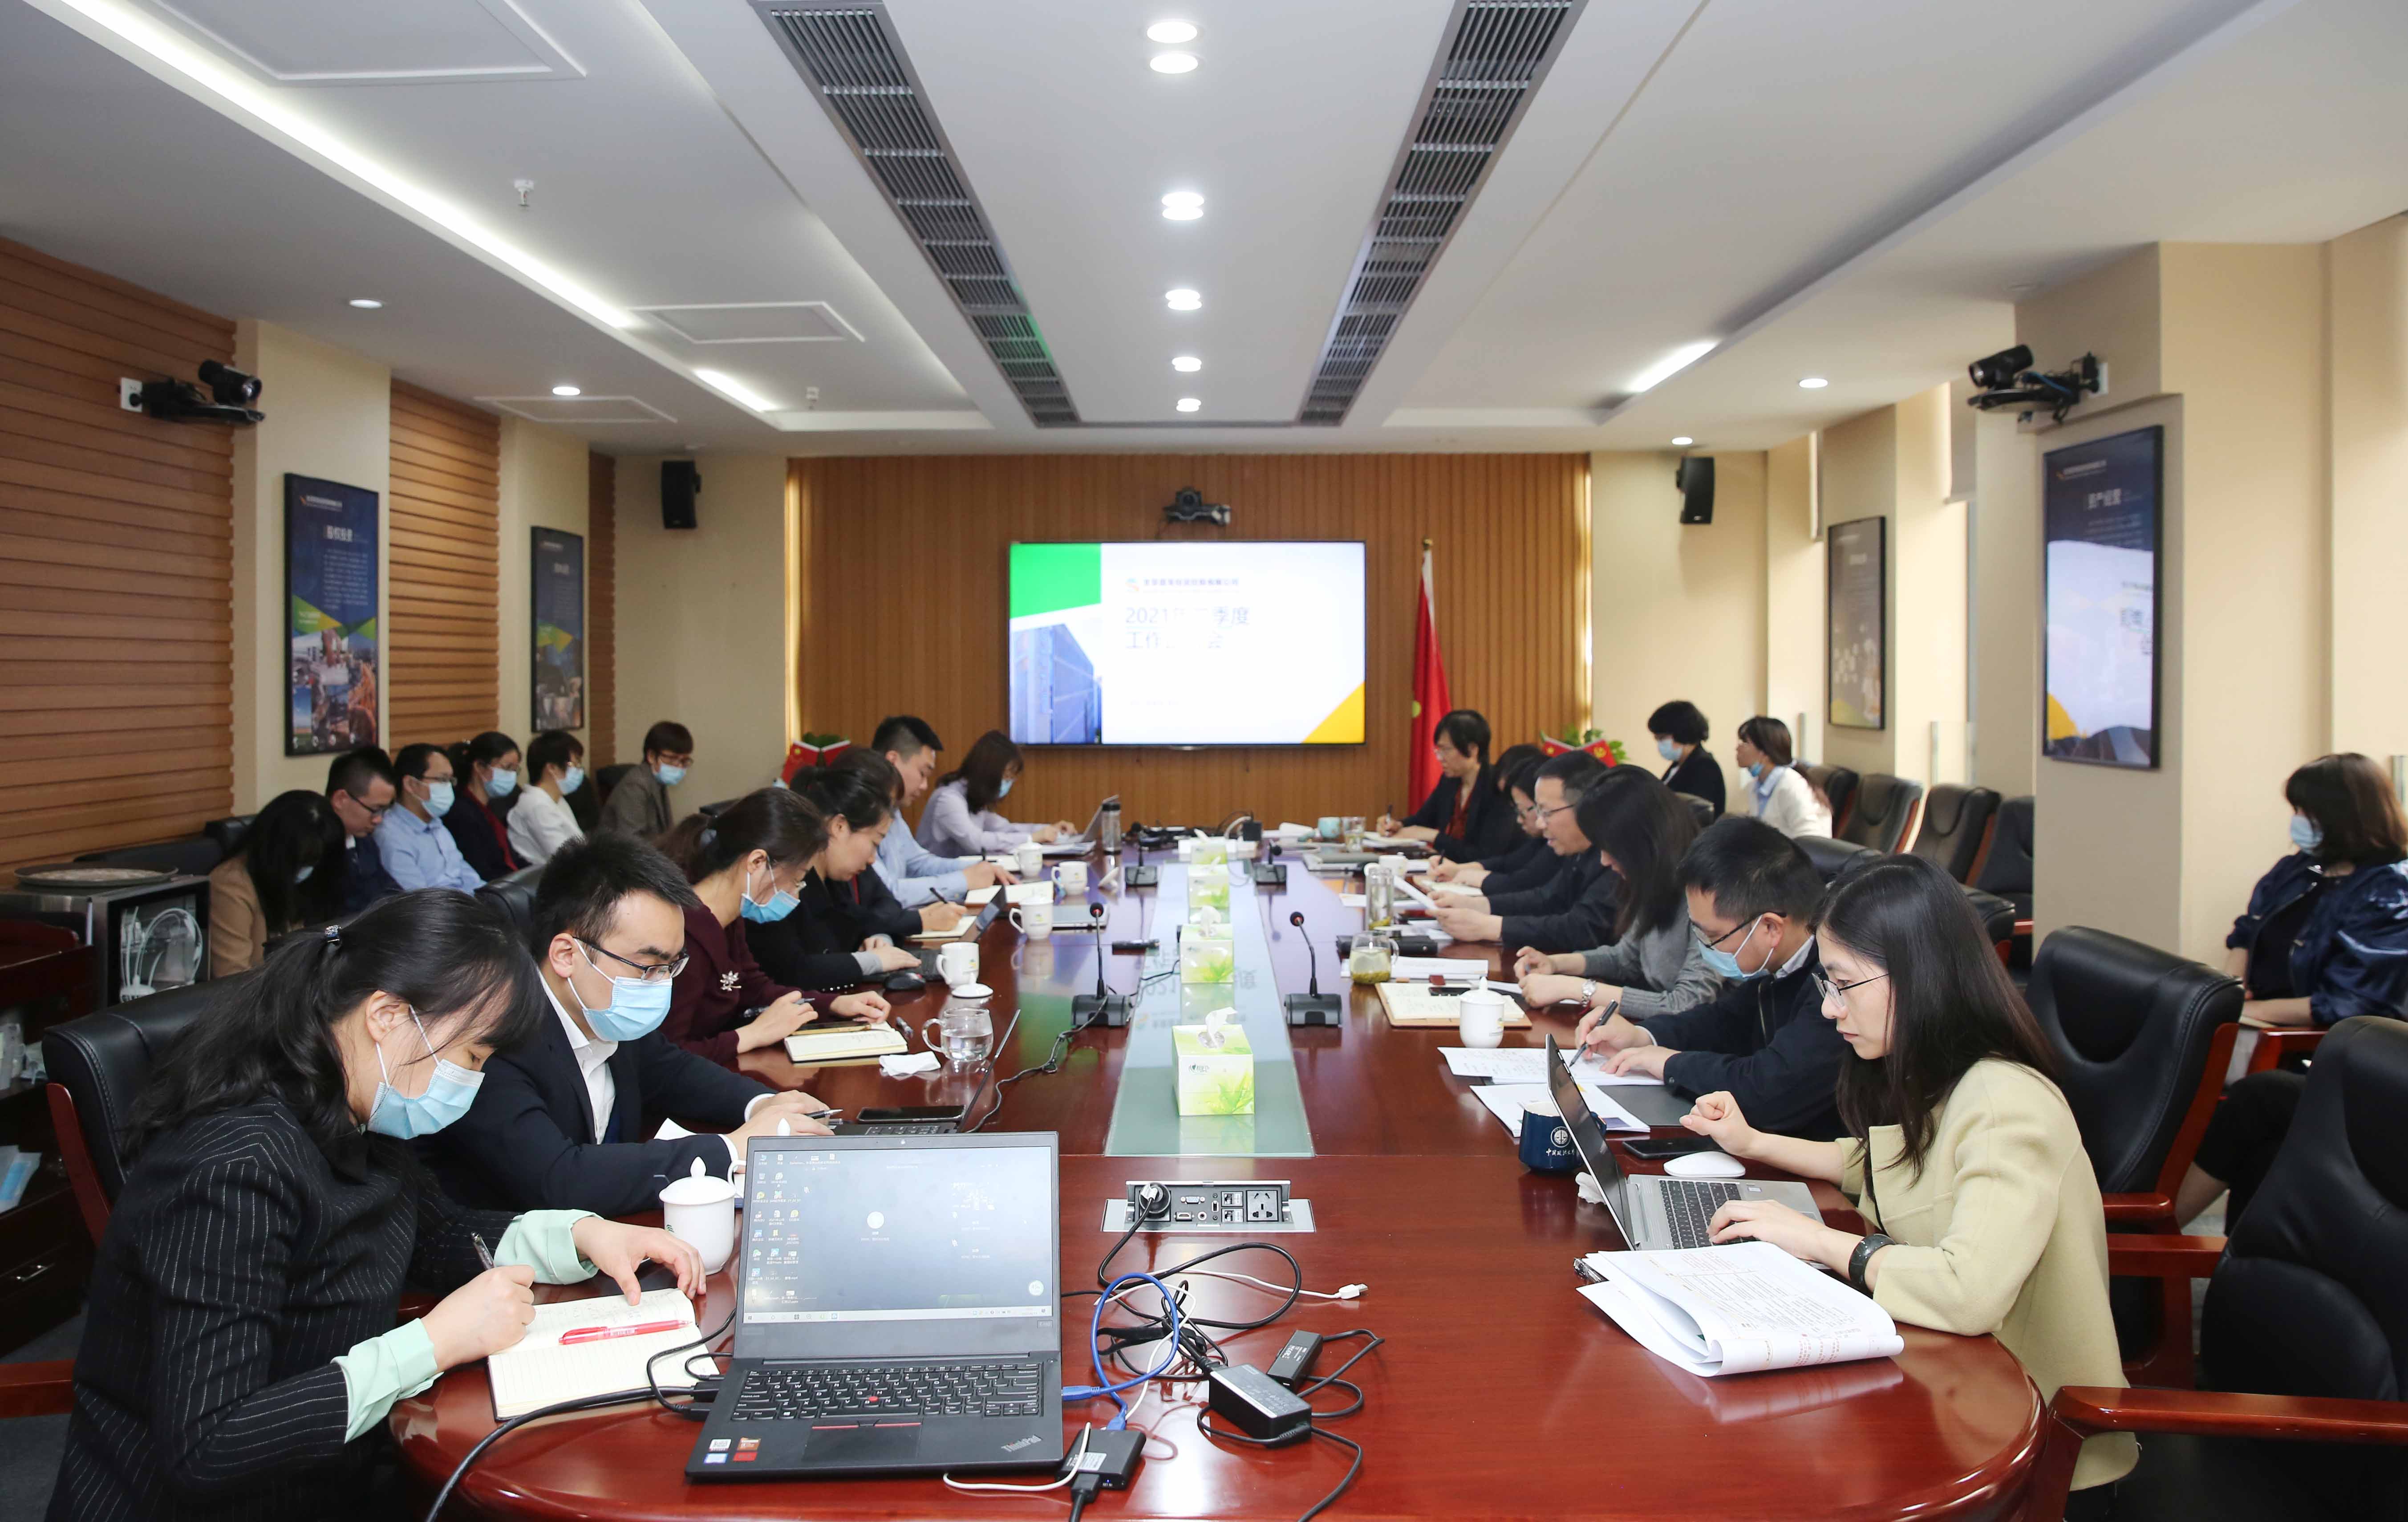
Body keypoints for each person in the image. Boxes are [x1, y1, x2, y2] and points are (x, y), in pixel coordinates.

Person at [49, 891, 701, 1521]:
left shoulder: (354, 1109)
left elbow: (435, 1233)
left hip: (339, 1476)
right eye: (471, 1055)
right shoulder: (234, 1166)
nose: (473, 1080)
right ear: (387, 1015)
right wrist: (434, 1342)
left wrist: (582, 1233)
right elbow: (210, 1444)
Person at [1681, 854, 2135, 1498]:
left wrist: (1818, 1241)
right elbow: (1882, 1164)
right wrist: (1753, 1142)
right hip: (1945, 1382)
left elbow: (1967, 1291)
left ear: (1917, 974)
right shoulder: (1935, 1070)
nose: (1831, 1009)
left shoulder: (2004, 1102)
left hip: (2031, 1443)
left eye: (1844, 984)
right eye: (1826, 985)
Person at [419, 835, 834, 1217]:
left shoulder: (603, 1009)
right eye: (648, 966)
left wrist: (762, 1105)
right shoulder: (493, 1037)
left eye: (672, 966)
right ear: (566, 955)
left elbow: (672, 1069)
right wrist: (730, 1148)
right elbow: (559, 1178)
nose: (662, 984)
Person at [2173, 752, 2408, 1227]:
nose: (2298, 821)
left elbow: (2347, 1004)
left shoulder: (2390, 893)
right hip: (2258, 1025)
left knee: (2256, 1103)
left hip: (2324, 1053)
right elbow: (2247, 930)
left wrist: (2252, 1010)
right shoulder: (2300, 869)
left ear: (2344, 815)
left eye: (2306, 811)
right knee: (2166, 1059)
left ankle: (2157, 1224)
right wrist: (2231, 987)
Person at [1577, 815, 1849, 1139]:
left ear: (1770, 927)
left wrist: (1671, 1064)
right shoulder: (1780, 963)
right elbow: (1724, 1020)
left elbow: (1771, 1089)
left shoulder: (1837, 981)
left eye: (1714, 935)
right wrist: (1642, 1036)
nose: (1705, 946)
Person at [659, 788, 892, 1066]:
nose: (796, 893)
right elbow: (666, 1057)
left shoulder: (729, 919)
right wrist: (751, 1035)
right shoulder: (680, 933)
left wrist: (832, 1003)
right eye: (797, 879)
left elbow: (754, 988)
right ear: (757, 862)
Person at [1514, 770, 1722, 1022]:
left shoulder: (1708, 890)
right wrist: (1556, 964)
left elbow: (1688, 1003)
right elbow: (1626, 958)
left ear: (1642, 841)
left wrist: (1577, 989)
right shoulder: (1653, 878)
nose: (1604, 860)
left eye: (1610, 848)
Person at [757, 767, 928, 990]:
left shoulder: (834, 880)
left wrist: (878, 940)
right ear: (839, 827)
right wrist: (873, 961)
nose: (872, 859)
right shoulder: (783, 881)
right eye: (874, 843)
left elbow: (860, 923)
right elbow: (792, 970)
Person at [1431, 751, 1619, 952]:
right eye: (1538, 812)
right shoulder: (1579, 850)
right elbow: (1548, 899)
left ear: (1585, 808)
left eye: (1547, 812)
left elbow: (1583, 928)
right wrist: (1475, 905)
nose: (1540, 823)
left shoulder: (1616, 856)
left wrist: (1491, 927)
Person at [869, 715, 1016, 913]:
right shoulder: (861, 812)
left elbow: (919, 864)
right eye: (923, 774)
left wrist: (979, 867)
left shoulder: (892, 810)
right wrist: (964, 880)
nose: (925, 786)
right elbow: (888, 892)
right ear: (893, 761)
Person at [826, 748, 977, 941]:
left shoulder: (861, 852)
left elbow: (887, 900)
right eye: (885, 804)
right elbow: (857, 922)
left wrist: (881, 937)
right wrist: (922, 920)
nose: (889, 813)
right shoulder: (836, 864)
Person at [207, 790, 347, 977]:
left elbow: (330, 940)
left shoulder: (316, 879)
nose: (308, 871)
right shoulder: (230, 885)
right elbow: (233, 976)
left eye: (315, 863)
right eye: (303, 863)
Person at [1376, 709, 1520, 861]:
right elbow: (1423, 820)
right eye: (1439, 750)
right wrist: (1397, 825)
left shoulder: (1497, 788)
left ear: (1472, 750)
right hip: (1443, 868)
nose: (1440, 758)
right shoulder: (1450, 781)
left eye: (1446, 750)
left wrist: (1434, 836)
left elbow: (1485, 854)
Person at [915, 730, 1076, 856]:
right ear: (989, 772)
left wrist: (1050, 829)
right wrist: (1032, 838)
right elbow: (977, 842)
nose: (1008, 784)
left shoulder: (973, 797)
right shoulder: (948, 799)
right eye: (1006, 777)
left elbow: (1004, 829)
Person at [1427, 747, 1552, 888]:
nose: (1517, 819)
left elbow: (1522, 881)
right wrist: (1458, 870)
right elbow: (1507, 863)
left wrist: (1469, 876)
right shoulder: (1539, 841)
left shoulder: (1555, 843)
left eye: (1521, 810)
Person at [375, 743, 483, 894]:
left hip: (466, 904)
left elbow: (470, 879)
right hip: (439, 908)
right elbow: (419, 900)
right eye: (442, 780)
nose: (449, 787)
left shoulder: (437, 824)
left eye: (451, 780)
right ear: (411, 784)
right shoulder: (391, 836)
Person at [327, 747, 402, 914]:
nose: (379, 819)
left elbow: (390, 891)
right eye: (375, 810)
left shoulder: (365, 841)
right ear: (341, 800)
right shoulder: (318, 850)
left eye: (384, 810)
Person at [442, 731, 523, 882]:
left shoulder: (492, 807)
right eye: (507, 768)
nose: (512, 776)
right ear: (480, 767)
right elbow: (482, 870)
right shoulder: (461, 813)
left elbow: (512, 858)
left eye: (515, 770)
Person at [1733, 716, 1830, 839]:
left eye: (1745, 743)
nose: (1738, 748)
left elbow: (1810, 840)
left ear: (1764, 752)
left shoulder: (1793, 786)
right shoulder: (1755, 786)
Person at [596, 720, 692, 841]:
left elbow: (666, 831)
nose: (679, 766)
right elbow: (633, 842)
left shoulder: (658, 780)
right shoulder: (635, 786)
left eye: (684, 761)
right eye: (672, 759)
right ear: (651, 756)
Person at [507, 729, 586, 866]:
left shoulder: (556, 800)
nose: (579, 770)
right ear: (552, 768)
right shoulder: (536, 806)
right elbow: (566, 859)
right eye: (575, 764)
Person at [1648, 700, 1725, 819]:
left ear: (1681, 733)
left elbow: (1696, 815)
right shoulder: (1678, 765)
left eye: (1662, 738)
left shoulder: (1705, 767)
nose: (1659, 744)